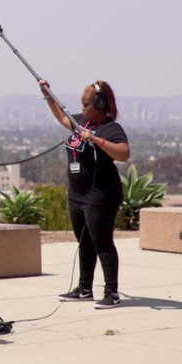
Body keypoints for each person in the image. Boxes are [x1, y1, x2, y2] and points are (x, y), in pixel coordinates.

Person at [40, 79, 130, 309]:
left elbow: (123, 153)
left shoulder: (109, 128)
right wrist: (47, 93)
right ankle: (84, 289)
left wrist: (96, 139)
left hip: (101, 194)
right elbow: (62, 117)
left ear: (100, 103)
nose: (82, 109)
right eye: (81, 104)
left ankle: (111, 293)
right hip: (77, 194)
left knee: (102, 242)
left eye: (87, 104)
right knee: (84, 242)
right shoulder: (81, 122)